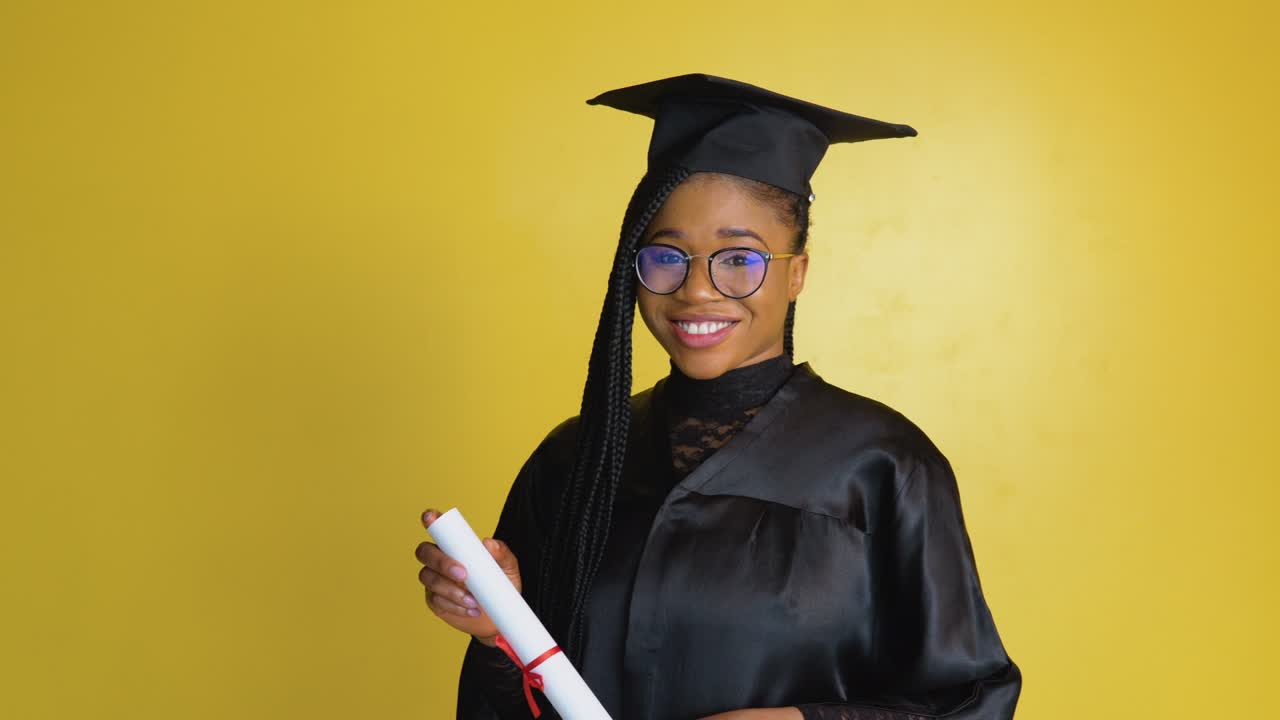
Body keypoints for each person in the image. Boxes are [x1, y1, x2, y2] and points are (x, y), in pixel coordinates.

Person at [416, 73, 1021, 720]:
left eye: (739, 259)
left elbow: (971, 703)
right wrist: (497, 634)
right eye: (666, 256)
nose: (697, 290)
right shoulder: (575, 463)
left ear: (798, 273)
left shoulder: (884, 466)